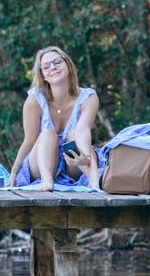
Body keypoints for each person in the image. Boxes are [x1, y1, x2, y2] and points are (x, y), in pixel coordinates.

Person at [7, 46, 100, 191]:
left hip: (74, 165)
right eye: (46, 66)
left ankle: (93, 180)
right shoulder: (34, 100)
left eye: (57, 62)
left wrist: (87, 159)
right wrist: (13, 172)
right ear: (43, 75)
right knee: (48, 134)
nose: (53, 67)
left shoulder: (88, 97)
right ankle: (47, 182)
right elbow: (29, 140)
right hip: (41, 163)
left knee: (74, 134)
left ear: (68, 65)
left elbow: (83, 131)